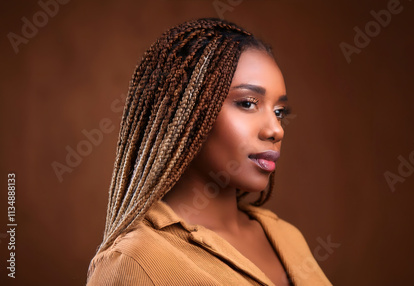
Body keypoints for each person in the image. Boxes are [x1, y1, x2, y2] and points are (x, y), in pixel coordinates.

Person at [87, 17, 332, 285]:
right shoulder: (133, 262)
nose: (276, 129)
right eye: (248, 104)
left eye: (279, 112)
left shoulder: (285, 236)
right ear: (184, 111)